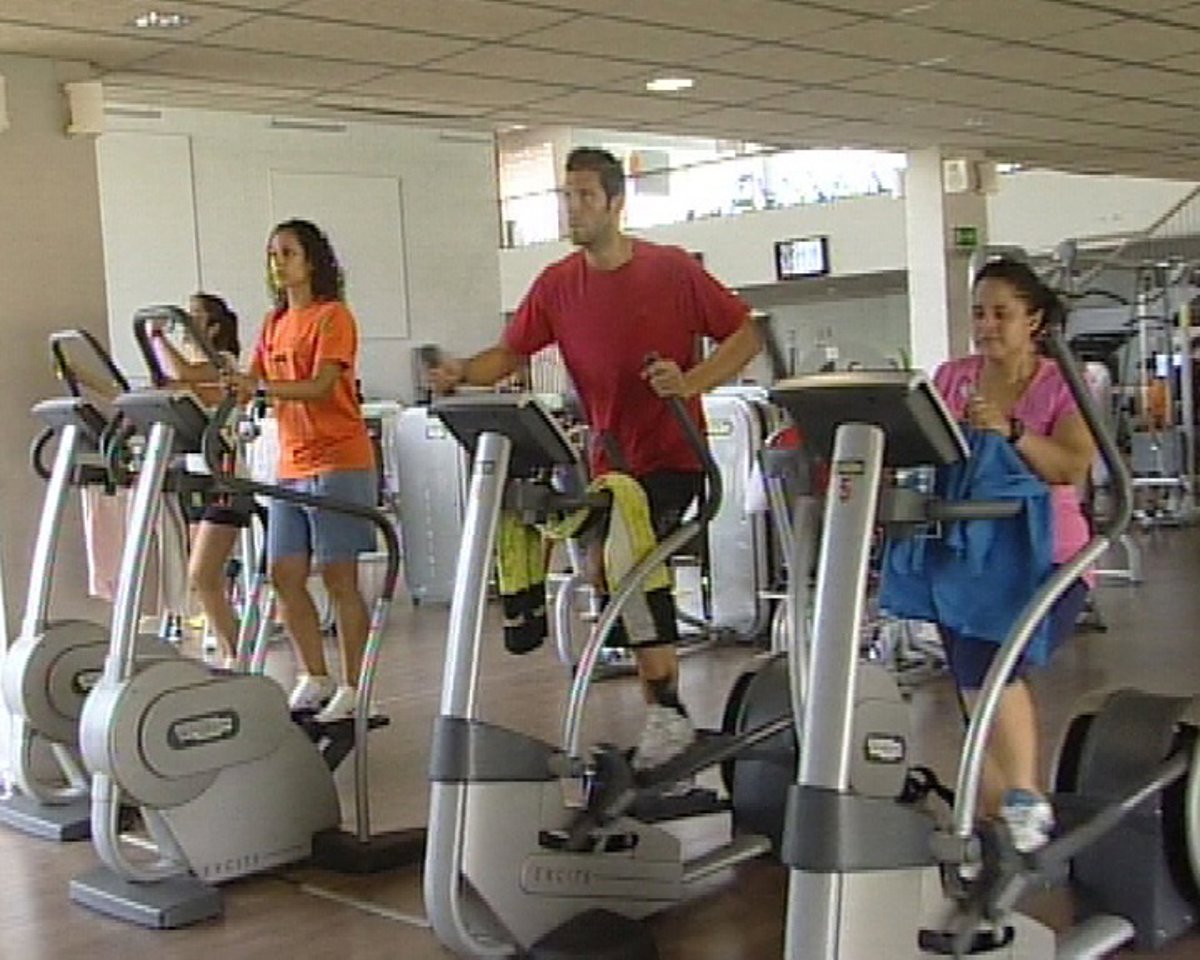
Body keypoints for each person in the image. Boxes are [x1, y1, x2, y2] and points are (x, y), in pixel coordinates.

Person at [430, 147, 761, 770]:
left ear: (615, 203)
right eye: (567, 196)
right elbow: (509, 354)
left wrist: (691, 383)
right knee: (602, 571)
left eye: (585, 196)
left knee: (626, 564)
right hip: (608, 465)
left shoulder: (671, 270)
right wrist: (460, 373)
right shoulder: (557, 284)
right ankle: (661, 706)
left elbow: (747, 333)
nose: (573, 208)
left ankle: (668, 714)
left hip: (672, 457)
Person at [932, 257, 1096, 852]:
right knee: (970, 681)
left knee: (989, 663)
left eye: (1001, 313)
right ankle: (995, 817)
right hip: (970, 552)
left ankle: (1026, 796)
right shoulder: (953, 378)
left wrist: (1011, 431)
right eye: (979, 313)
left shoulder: (1062, 383)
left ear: (1034, 321)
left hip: (1048, 556)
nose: (986, 325)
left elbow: (1071, 466)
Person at [228, 219, 377, 723]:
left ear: (311, 261)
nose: (278, 263)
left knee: (339, 578)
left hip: (338, 460)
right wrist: (230, 383)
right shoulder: (273, 324)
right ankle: (315, 675)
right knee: (283, 575)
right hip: (291, 464)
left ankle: (356, 685)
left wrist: (261, 388)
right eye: (273, 255)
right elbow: (252, 379)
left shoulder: (333, 317)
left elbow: (319, 386)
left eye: (288, 253)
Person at [149, 294, 254, 665]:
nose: (187, 322)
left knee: (203, 574)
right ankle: (232, 654)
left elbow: (185, 376)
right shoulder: (191, 369)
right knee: (204, 578)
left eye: (195, 316)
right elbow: (170, 383)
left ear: (213, 327)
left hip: (227, 477)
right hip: (199, 479)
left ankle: (237, 656)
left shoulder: (223, 363)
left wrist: (158, 338)